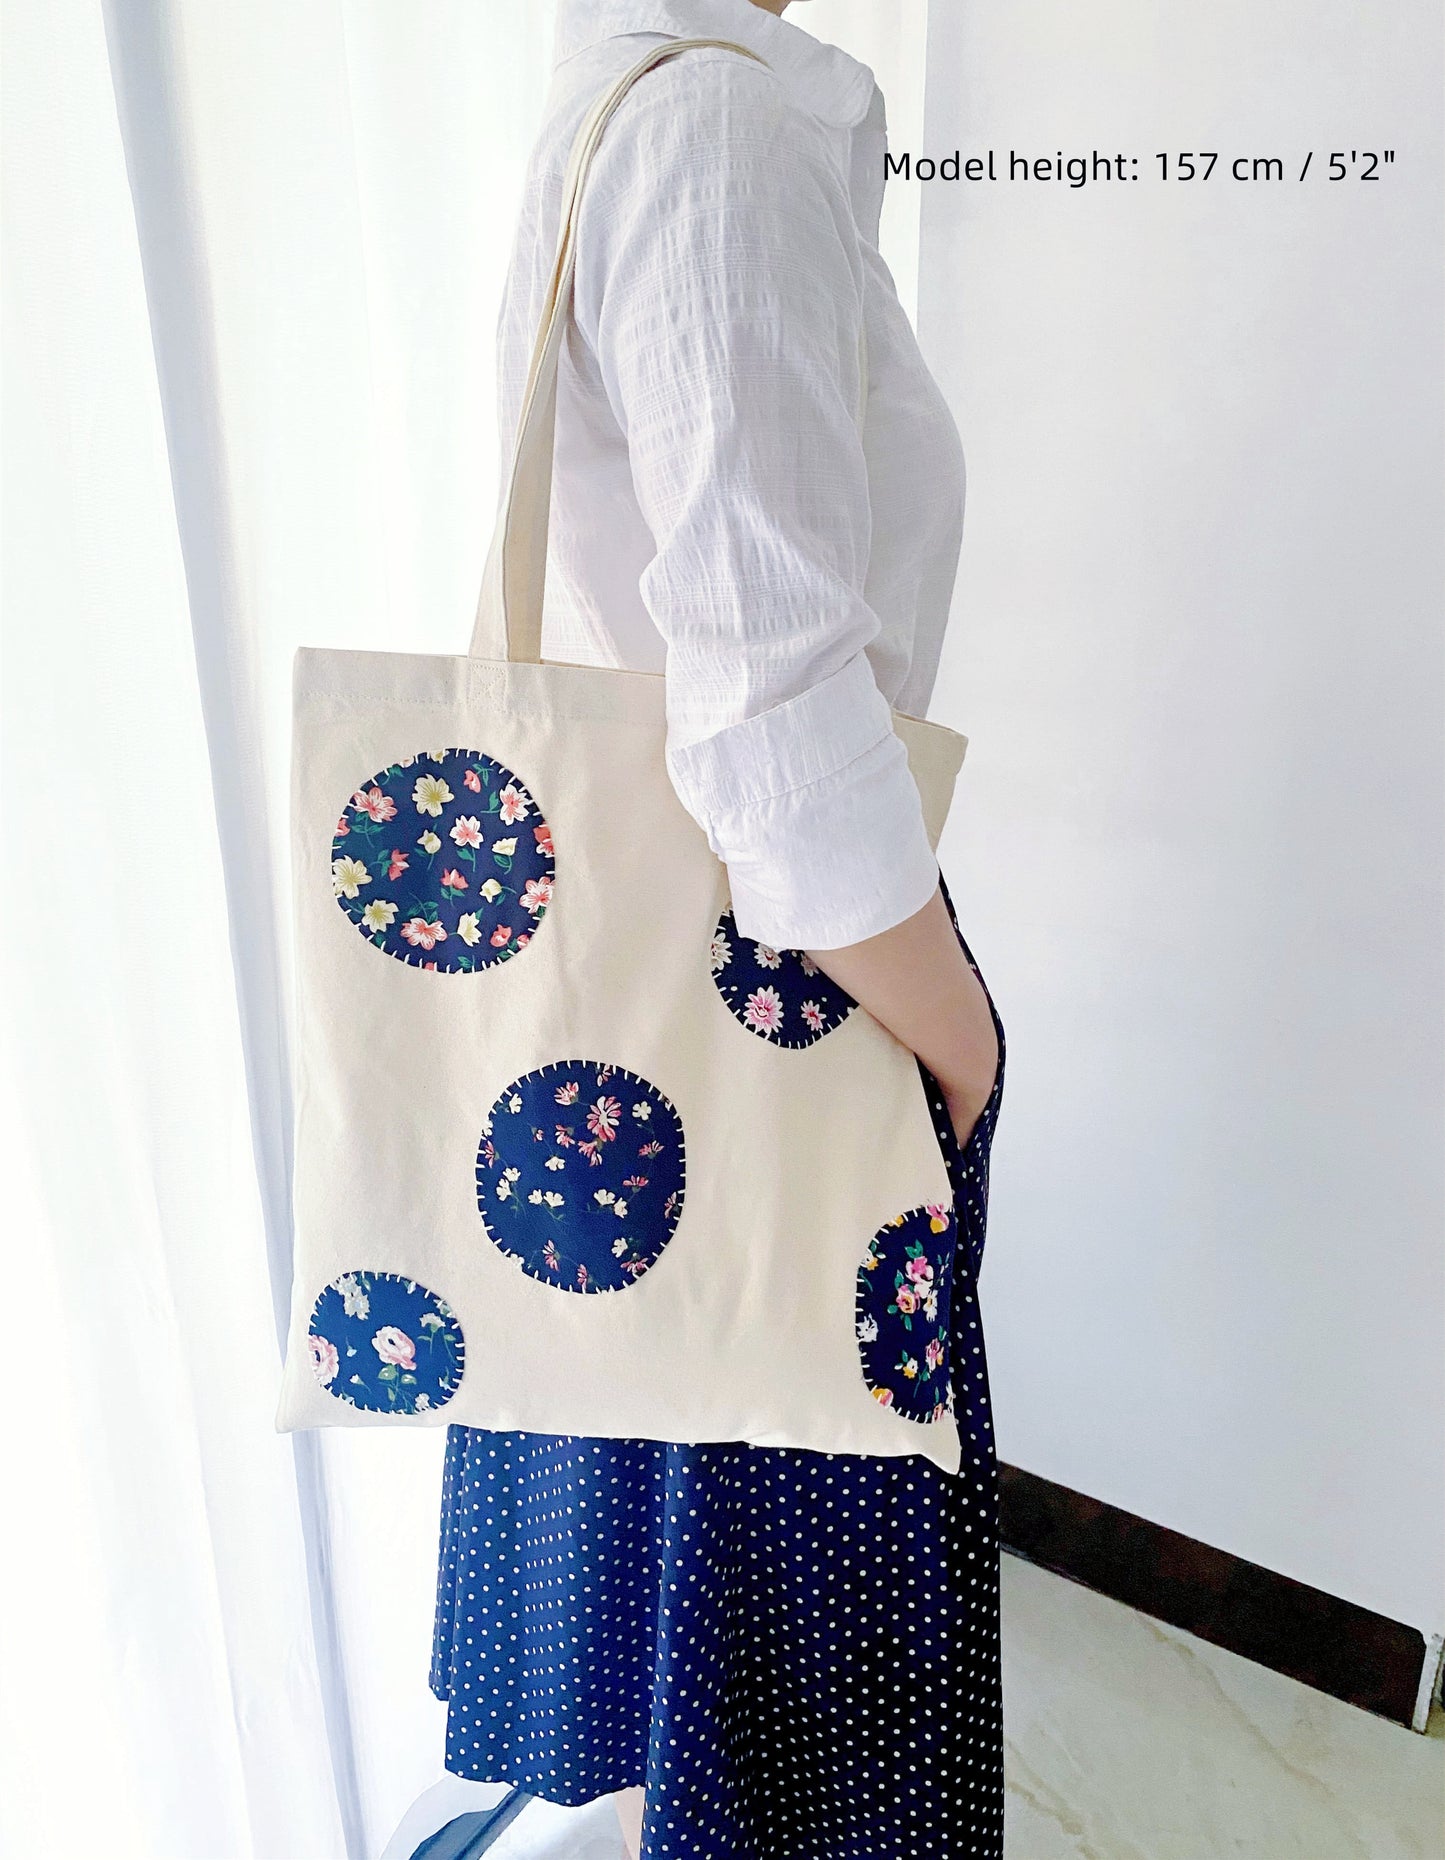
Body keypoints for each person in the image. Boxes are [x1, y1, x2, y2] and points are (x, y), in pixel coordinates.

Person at [430, 3, 1007, 1853]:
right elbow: (768, 713)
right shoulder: (715, 132)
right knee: (810, 1710)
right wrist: (959, 1033)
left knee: (708, 1592)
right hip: (793, 982)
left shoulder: (619, 103)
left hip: (637, 996)